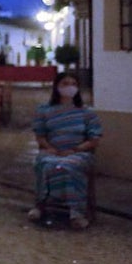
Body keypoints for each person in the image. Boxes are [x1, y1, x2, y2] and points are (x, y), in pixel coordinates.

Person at [29, 72, 102, 230]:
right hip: (52, 151)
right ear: (57, 86)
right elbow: (40, 135)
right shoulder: (44, 110)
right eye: (65, 83)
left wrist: (75, 149)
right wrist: (49, 148)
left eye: (73, 84)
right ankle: (40, 205)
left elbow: (94, 139)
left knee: (68, 167)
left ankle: (76, 213)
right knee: (46, 164)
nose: (69, 87)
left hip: (79, 153)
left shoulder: (86, 113)